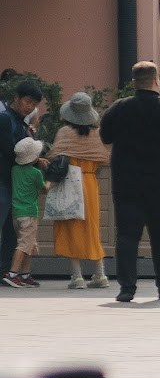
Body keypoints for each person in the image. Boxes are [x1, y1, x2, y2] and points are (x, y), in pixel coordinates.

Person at [98, 61, 160, 302]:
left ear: (133, 82)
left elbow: (105, 137)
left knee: (127, 236)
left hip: (127, 183)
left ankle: (127, 289)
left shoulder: (119, 108)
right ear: (157, 80)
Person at [47, 91, 108, 288]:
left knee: (69, 227)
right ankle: (100, 275)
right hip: (89, 184)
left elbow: (54, 157)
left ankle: (77, 276)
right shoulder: (96, 135)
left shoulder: (64, 133)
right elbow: (101, 159)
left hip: (68, 183)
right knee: (91, 228)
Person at [1, 81, 45, 282]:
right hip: (4, 181)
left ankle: (8, 271)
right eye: (27, 101)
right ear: (17, 98)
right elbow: (10, 151)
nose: (29, 107)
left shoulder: (21, 123)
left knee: (12, 231)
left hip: (14, 183)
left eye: (33, 104)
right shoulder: (5, 119)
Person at [7, 137, 44, 287]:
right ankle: (13, 274)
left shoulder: (14, 170)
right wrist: (51, 179)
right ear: (35, 157)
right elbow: (44, 189)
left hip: (17, 213)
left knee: (30, 244)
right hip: (29, 213)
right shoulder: (36, 173)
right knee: (24, 245)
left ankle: (25, 275)